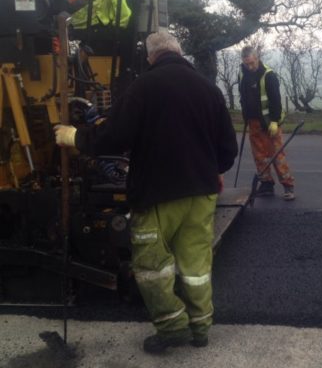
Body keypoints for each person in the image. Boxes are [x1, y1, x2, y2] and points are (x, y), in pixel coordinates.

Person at [54, 32, 238, 353]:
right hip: (202, 192)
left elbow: (114, 136)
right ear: (179, 53)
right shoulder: (209, 89)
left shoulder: (143, 87)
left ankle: (171, 326)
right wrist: (213, 171)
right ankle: (200, 328)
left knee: (152, 264)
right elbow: (227, 149)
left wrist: (75, 137)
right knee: (195, 263)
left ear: (151, 57)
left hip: (158, 192)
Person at [238, 46, 295, 201]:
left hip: (269, 123)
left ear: (257, 58)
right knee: (260, 155)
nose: (250, 67)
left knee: (277, 155)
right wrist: (245, 115)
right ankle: (267, 185)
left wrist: (275, 121)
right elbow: (242, 97)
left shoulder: (268, 75)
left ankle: (288, 186)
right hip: (253, 122)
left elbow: (276, 100)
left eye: (252, 63)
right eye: (246, 63)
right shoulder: (242, 73)